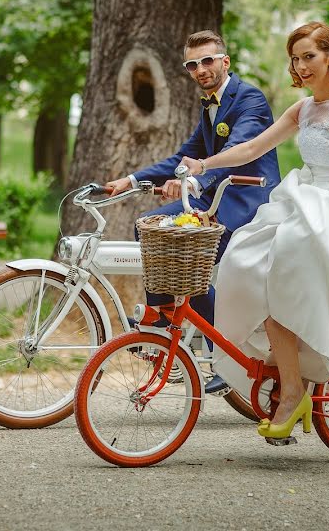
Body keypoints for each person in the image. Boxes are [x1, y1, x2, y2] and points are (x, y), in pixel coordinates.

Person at [180, 21, 329, 439]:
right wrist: (203, 164)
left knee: (283, 267)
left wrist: (309, 214)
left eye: (309, 56)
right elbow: (254, 147)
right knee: (245, 258)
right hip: (308, 199)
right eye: (295, 59)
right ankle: (286, 377)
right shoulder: (304, 109)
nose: (301, 66)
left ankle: (295, 390)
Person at [106, 29, 281, 394]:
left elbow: (239, 150)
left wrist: (196, 182)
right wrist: (132, 178)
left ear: (224, 61)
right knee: (149, 228)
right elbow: (183, 156)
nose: (200, 69)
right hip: (215, 196)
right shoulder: (209, 106)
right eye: (192, 64)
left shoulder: (249, 99)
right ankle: (162, 318)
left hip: (247, 199)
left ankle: (224, 355)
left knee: (192, 253)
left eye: (207, 60)